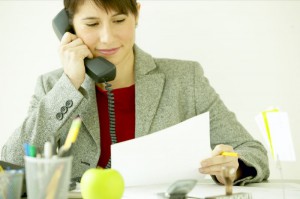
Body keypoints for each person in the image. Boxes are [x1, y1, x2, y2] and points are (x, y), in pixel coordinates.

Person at [1, 0, 269, 185]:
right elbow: (9, 164)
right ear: (69, 27)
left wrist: (235, 166)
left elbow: (252, 151)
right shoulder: (53, 87)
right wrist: (70, 84)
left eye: (119, 20)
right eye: (92, 24)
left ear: (137, 14)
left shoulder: (187, 78)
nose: (107, 38)